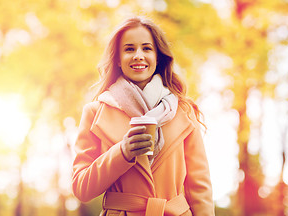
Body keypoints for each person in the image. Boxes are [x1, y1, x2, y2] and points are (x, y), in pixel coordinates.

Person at [72, 16, 214, 216]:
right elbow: (81, 187)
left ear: (158, 58)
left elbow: (200, 188)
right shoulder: (95, 112)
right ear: (118, 60)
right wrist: (122, 153)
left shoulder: (184, 111)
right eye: (129, 49)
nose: (138, 55)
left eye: (146, 48)